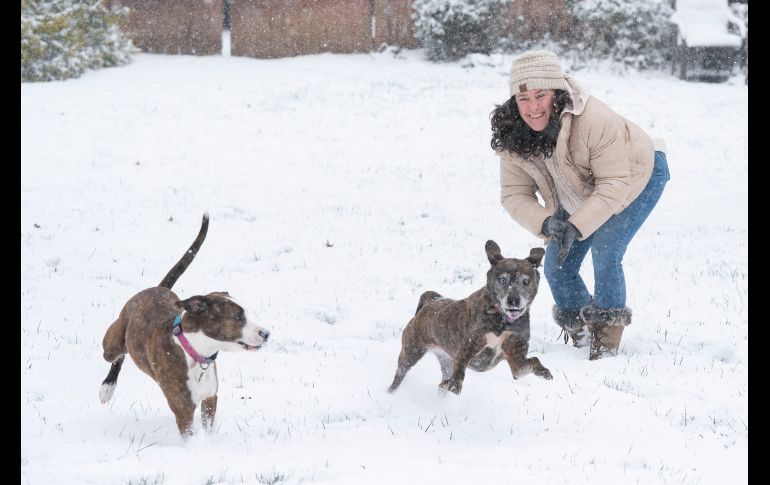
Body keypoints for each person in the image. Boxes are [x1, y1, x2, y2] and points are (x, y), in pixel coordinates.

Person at [490, 50, 670, 360]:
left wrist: (576, 225)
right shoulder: (512, 136)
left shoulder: (593, 119)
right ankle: (582, 331)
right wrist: (548, 222)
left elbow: (614, 185)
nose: (533, 107)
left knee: (606, 249)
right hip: (576, 190)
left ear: (556, 94)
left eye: (540, 95)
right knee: (557, 266)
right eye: (523, 99)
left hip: (637, 176)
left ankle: (605, 339)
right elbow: (514, 194)